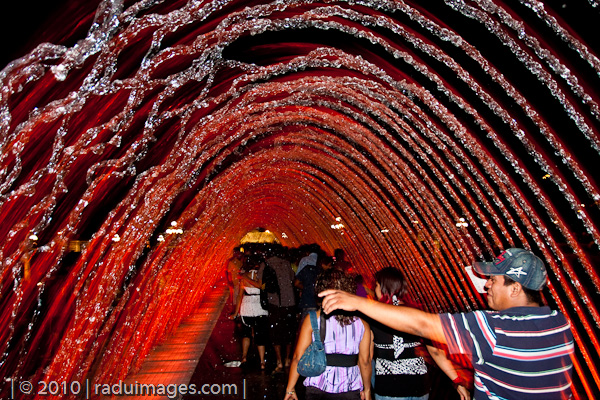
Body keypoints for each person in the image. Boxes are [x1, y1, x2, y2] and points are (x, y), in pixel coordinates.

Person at [320, 248, 575, 400]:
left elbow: (424, 326)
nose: (486, 285)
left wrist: (359, 302)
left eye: (494, 280)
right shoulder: (559, 323)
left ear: (516, 288)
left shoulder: (495, 328)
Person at [370, 267, 470, 400]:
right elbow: (436, 352)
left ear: (384, 287)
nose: (374, 289)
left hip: (390, 389)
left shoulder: (375, 316)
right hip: (419, 387)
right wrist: (457, 381)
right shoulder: (418, 315)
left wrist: (365, 387)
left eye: (376, 285)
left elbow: (367, 357)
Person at [284, 268, 371, 400]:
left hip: (318, 387)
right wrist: (367, 389)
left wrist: (290, 388)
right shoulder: (362, 324)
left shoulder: (313, 319)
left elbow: (298, 357)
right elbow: (364, 362)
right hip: (349, 389)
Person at [259, 245, 297, 372]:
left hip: (275, 302)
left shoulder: (266, 264)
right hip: (289, 302)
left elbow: (261, 283)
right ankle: (287, 359)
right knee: (288, 332)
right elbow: (292, 279)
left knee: (276, 333)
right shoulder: (286, 264)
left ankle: (279, 361)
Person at [230, 263, 269, 370]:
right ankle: (262, 361)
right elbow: (262, 287)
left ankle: (244, 357)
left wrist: (236, 312)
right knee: (260, 336)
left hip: (246, 308)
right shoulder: (261, 276)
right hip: (259, 308)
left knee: (246, 334)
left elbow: (239, 296)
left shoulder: (244, 277)